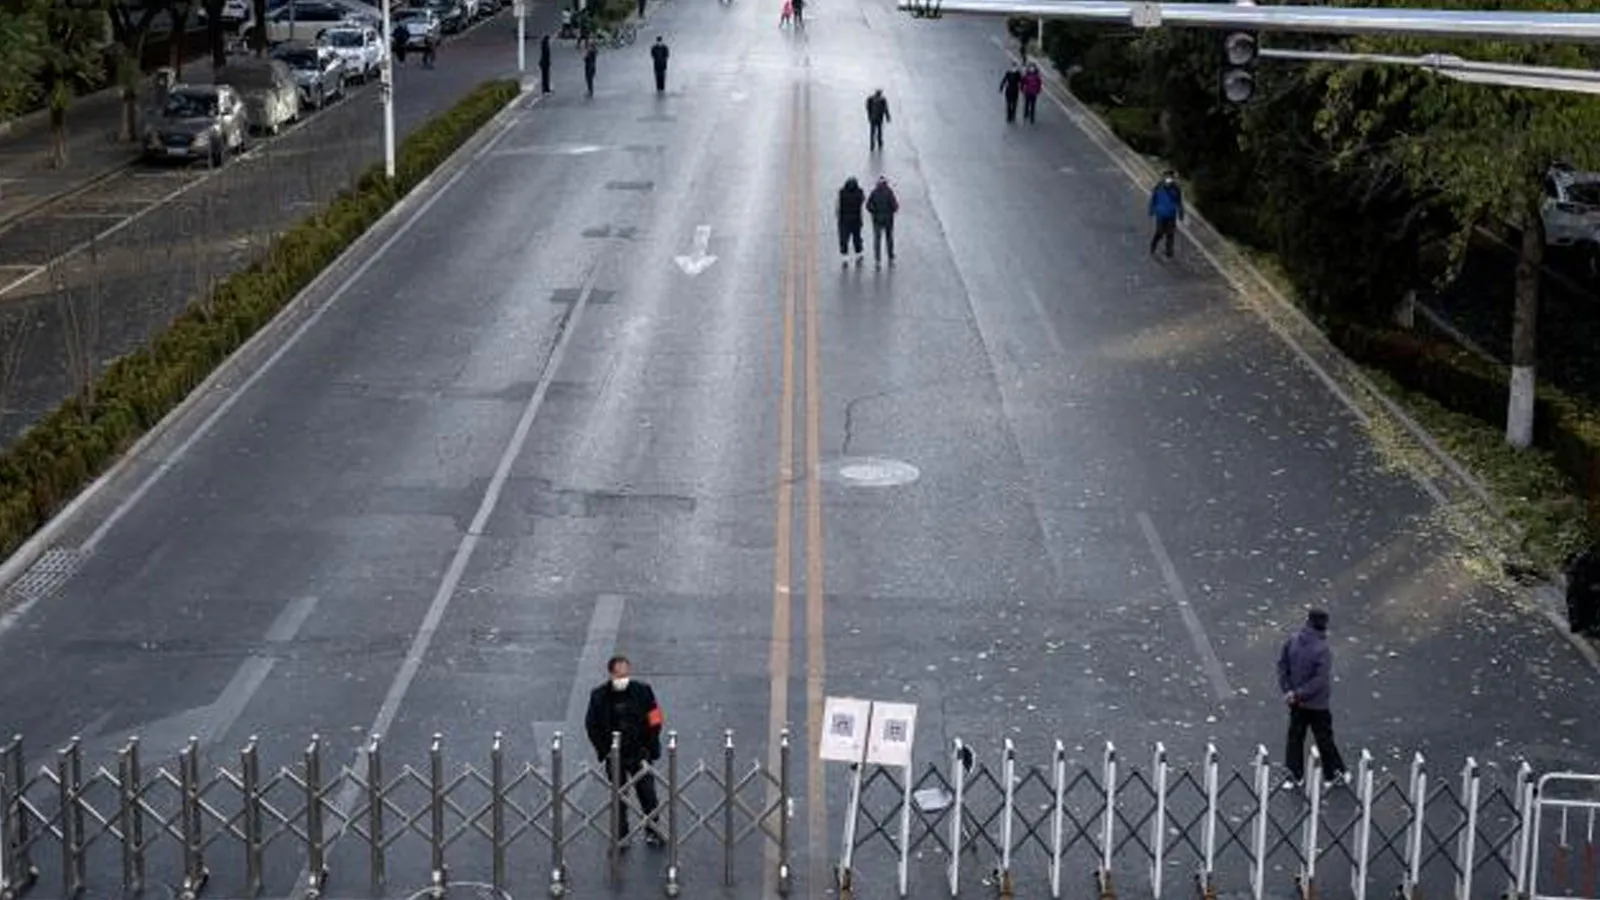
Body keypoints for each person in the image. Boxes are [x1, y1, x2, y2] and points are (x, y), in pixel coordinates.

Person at [585, 656, 667, 847]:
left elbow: (655, 719)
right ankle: (621, 834)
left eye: (626, 673)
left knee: (648, 794)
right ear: (611, 674)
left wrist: (649, 747)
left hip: (639, 751)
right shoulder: (598, 696)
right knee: (618, 797)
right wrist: (604, 751)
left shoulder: (643, 691)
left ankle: (653, 831)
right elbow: (592, 725)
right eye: (619, 674)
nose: (624, 677)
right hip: (614, 754)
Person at [1277, 609, 1351, 791]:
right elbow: (1319, 680)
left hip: (1296, 702)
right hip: (1317, 704)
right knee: (1324, 738)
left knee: (1295, 738)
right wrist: (1301, 693)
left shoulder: (1292, 640)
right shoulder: (1322, 649)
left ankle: (1294, 775)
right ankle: (1334, 773)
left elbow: (1282, 665)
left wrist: (1289, 691)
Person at [1148, 170, 1184, 258]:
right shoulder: (1159, 187)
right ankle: (1153, 244)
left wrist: (1180, 213)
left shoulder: (1176, 189)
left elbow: (1179, 202)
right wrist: (1151, 209)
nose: (1168, 180)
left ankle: (1169, 251)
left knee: (1170, 233)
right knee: (1160, 232)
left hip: (1171, 215)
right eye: (1167, 177)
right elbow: (1153, 198)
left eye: (1170, 178)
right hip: (1161, 214)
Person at [865, 175, 898, 267]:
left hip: (877, 220)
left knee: (877, 240)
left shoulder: (874, 192)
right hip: (888, 220)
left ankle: (877, 260)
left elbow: (868, 205)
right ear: (886, 183)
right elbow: (895, 206)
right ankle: (890, 258)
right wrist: (890, 211)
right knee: (889, 239)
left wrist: (874, 211)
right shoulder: (889, 192)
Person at [837, 176, 866, 266]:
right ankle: (858, 255)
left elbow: (838, 206)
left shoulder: (842, 192)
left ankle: (845, 258)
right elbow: (863, 200)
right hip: (856, 219)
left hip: (844, 220)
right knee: (856, 238)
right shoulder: (859, 192)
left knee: (844, 239)